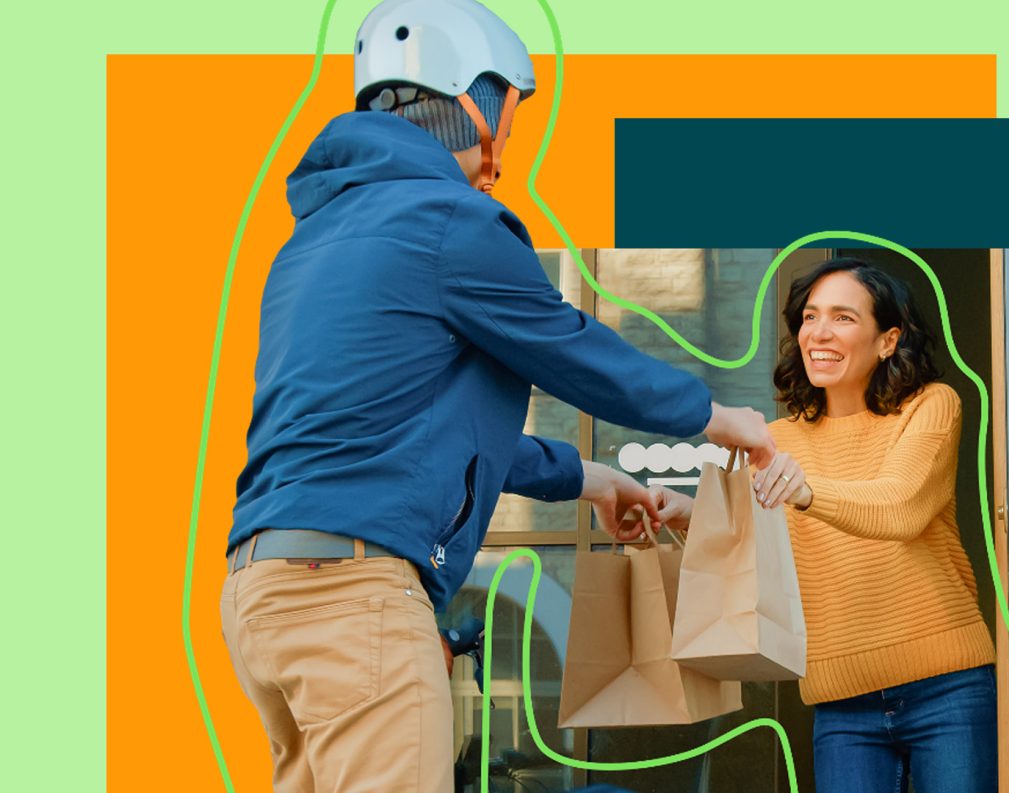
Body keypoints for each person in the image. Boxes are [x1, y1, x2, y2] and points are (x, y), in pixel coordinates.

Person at [218, 2, 774, 792]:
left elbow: (421, 433)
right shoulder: (449, 220)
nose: (504, 148)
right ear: (473, 99)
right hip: (354, 591)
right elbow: (577, 350)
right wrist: (723, 419)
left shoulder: (313, 242)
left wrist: (590, 478)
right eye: (508, 113)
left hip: (264, 593)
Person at [643, 258, 998, 792]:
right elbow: (755, 545)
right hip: (840, 701)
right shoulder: (777, 438)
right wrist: (689, 514)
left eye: (843, 318)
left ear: (887, 339)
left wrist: (806, 490)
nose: (819, 333)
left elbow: (899, 506)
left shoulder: (930, 406)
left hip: (946, 686)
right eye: (810, 317)